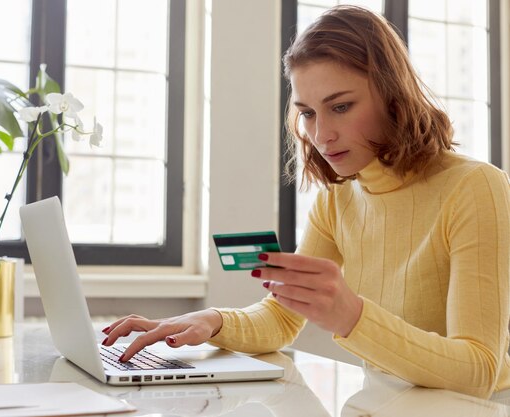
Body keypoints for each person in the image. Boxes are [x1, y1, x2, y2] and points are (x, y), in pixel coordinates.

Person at [102, 5, 510, 399]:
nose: (321, 135)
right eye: (308, 113)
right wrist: (212, 320)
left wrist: (352, 316)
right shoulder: (338, 199)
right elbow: (281, 317)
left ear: (392, 95)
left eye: (341, 107)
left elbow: (478, 369)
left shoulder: (474, 187)